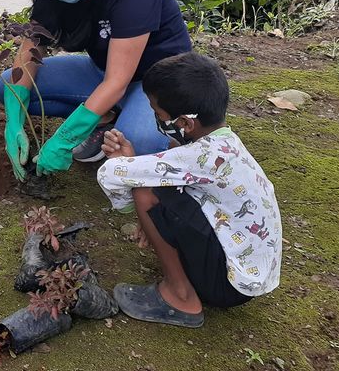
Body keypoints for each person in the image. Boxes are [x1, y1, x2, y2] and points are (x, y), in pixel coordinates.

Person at [0, 0, 191, 181]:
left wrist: (65, 137)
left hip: (156, 82)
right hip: (104, 70)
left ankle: (167, 133)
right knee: (7, 87)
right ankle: (105, 118)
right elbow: (31, 47)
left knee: (137, 141)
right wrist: (14, 121)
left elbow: (117, 82)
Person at [99, 52, 282, 328]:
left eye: (158, 113)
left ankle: (180, 297)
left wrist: (124, 168)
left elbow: (110, 174)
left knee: (146, 192)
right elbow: (173, 167)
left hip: (228, 285)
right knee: (162, 183)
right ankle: (186, 277)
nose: (155, 118)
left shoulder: (201, 156)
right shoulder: (224, 143)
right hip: (248, 275)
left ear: (185, 123)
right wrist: (134, 164)